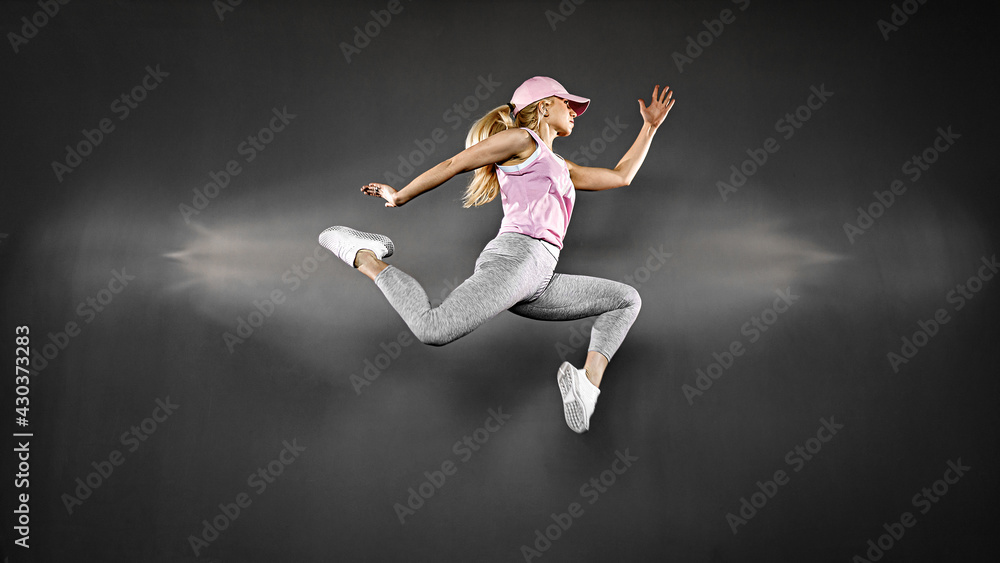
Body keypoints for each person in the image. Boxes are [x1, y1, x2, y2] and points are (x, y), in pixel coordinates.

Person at [320, 76, 675, 433]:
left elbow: (620, 176)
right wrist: (400, 196)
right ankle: (364, 253)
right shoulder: (522, 140)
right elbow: (455, 163)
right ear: (544, 105)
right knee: (433, 327)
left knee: (626, 300)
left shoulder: (561, 165)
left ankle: (587, 384)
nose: (574, 112)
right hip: (517, 258)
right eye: (567, 103)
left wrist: (649, 128)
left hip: (540, 277)